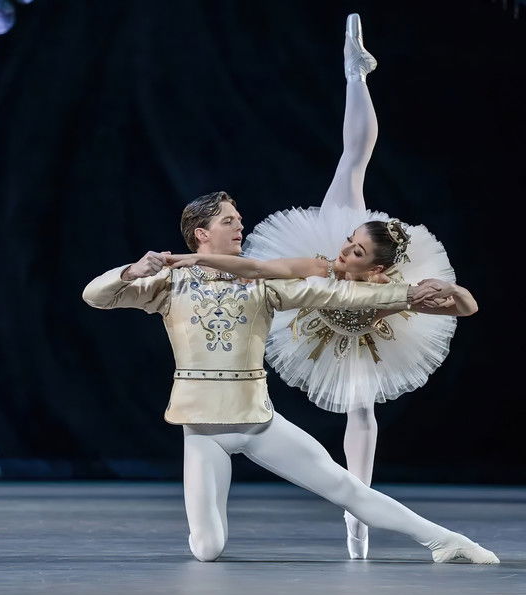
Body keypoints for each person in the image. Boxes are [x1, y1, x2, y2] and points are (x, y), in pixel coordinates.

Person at [165, 13, 475, 560]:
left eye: (354, 249)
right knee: (351, 165)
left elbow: (454, 307)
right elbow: (262, 270)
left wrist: (453, 298)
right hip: (313, 303)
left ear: (374, 270)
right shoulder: (328, 251)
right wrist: (193, 259)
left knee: (362, 413)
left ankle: (358, 520)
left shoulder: (382, 288)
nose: (344, 248)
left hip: (358, 330)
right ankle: (356, 74)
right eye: (349, 241)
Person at [82, 189, 498, 564]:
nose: (240, 225)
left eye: (238, 219)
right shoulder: (169, 283)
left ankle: (447, 540)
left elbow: (338, 293)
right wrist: (131, 271)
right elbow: (95, 296)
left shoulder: (263, 284)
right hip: (203, 428)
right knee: (208, 549)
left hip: (257, 422)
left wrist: (407, 293)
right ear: (201, 233)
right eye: (228, 220)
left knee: (345, 487)